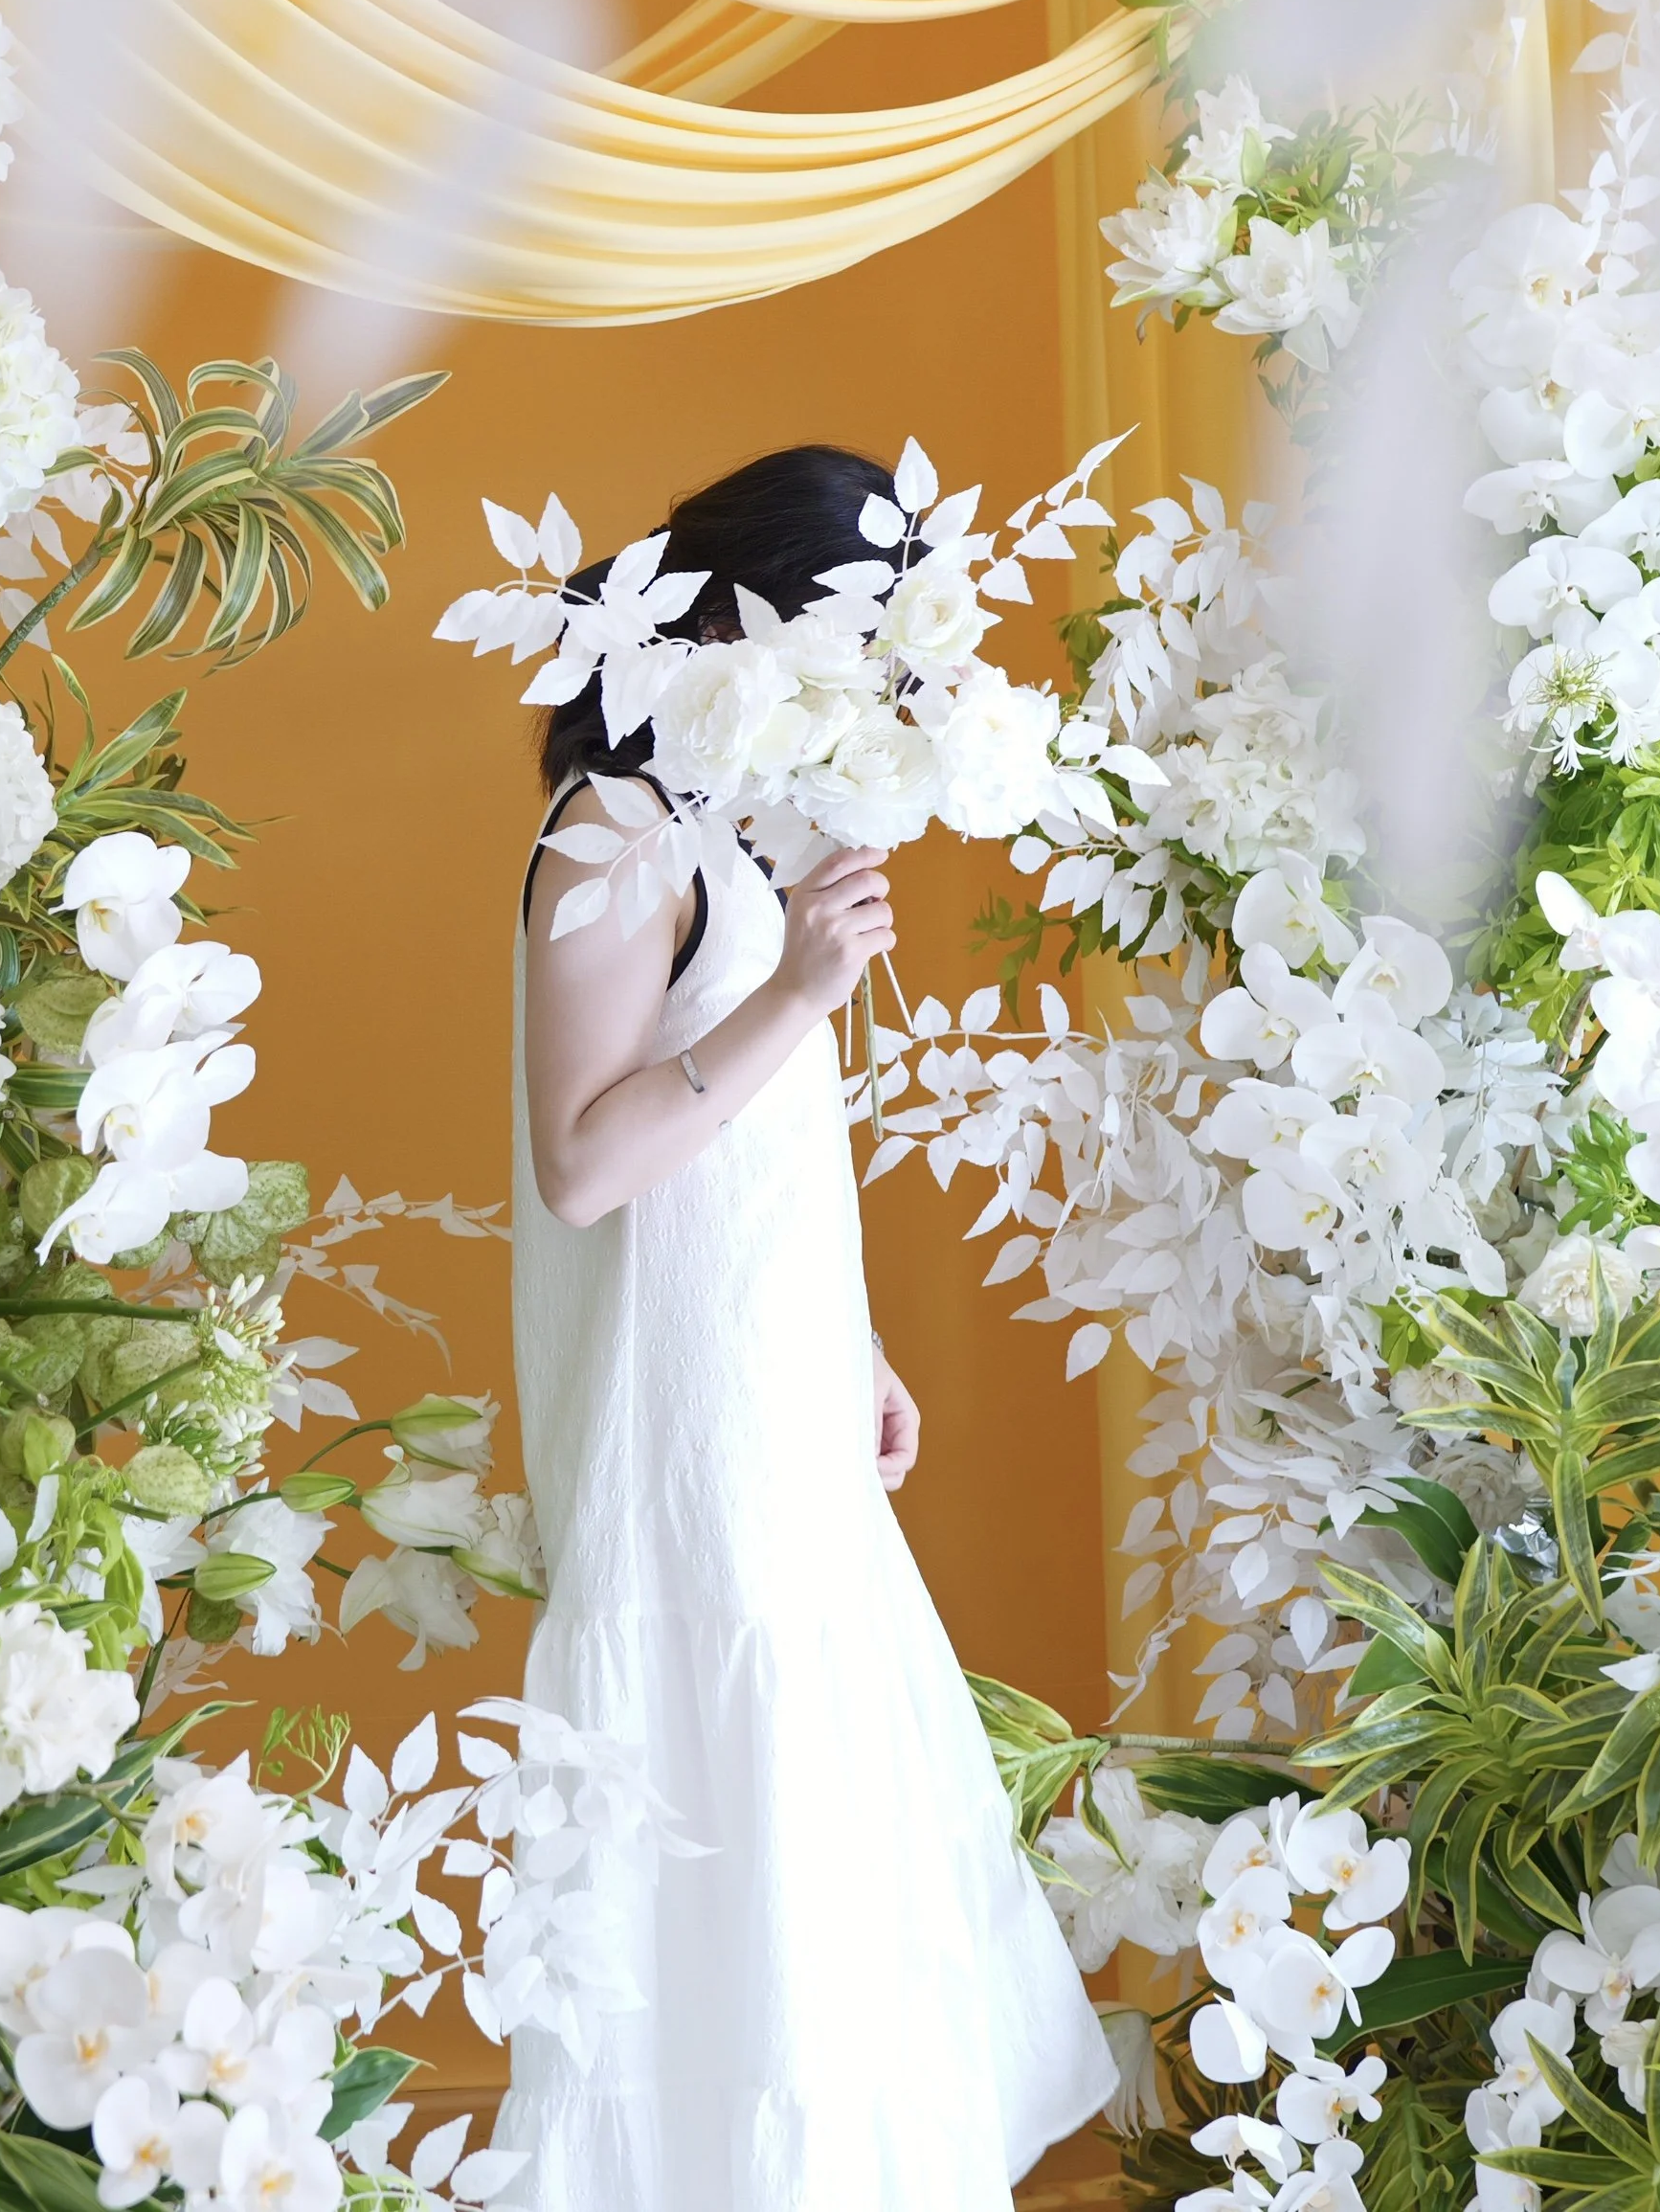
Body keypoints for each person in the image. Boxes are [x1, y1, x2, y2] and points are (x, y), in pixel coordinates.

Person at [491, 446, 1117, 2210]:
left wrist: (844, 1343)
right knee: (734, 1849)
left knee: (818, 1873)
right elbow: (588, 1163)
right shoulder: (617, 828)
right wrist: (797, 988)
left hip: (770, 1413)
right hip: (683, 1469)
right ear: (760, 620)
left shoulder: (743, 813)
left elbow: (745, 1154)